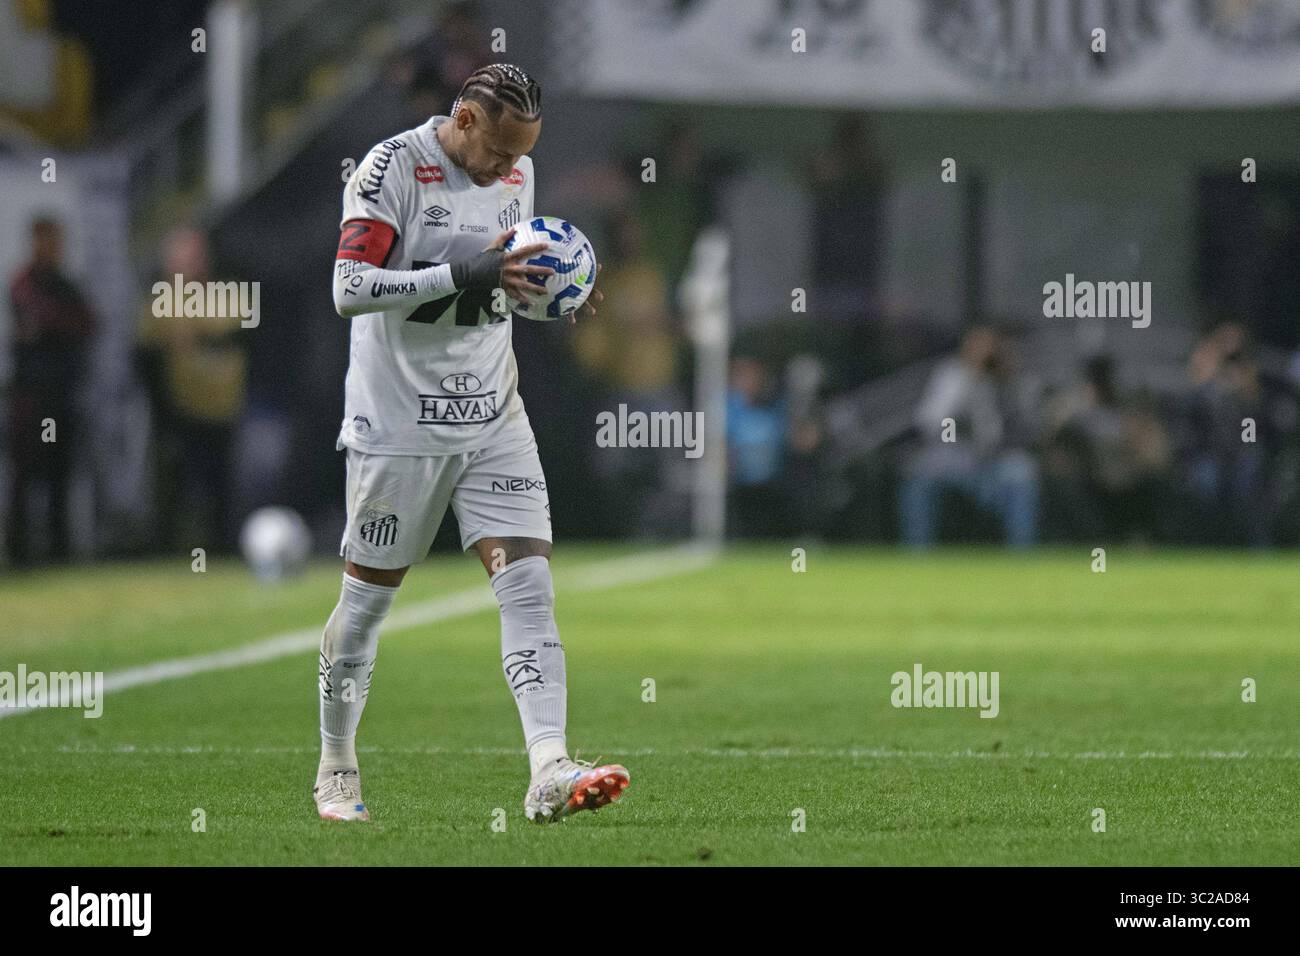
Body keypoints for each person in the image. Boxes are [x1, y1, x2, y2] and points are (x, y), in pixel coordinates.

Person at [318, 64, 628, 824]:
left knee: (528, 583)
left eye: (522, 155)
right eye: (497, 150)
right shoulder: (390, 170)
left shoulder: (516, 170)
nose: (508, 168)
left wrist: (552, 293)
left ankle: (549, 767)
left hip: (493, 414)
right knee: (364, 607)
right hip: (399, 428)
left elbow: (499, 272)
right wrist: (466, 272)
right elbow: (349, 289)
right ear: (462, 118)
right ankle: (336, 763)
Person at [5, 217, 96, 566]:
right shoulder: (24, 281)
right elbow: (45, 319)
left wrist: (56, 326)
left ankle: (59, 551)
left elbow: (87, 323)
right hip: (30, 399)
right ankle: (19, 553)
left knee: (60, 474)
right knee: (25, 477)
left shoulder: (64, 284)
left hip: (61, 397)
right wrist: (57, 325)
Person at [899, 327, 1039, 549]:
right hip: (953, 452)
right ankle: (918, 552)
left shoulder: (1004, 378)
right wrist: (967, 382)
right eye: (977, 345)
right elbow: (929, 421)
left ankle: (1021, 553)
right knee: (920, 473)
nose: (982, 352)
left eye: (988, 347)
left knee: (1022, 471)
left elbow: (1012, 427)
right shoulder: (951, 374)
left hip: (993, 457)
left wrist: (1000, 378)